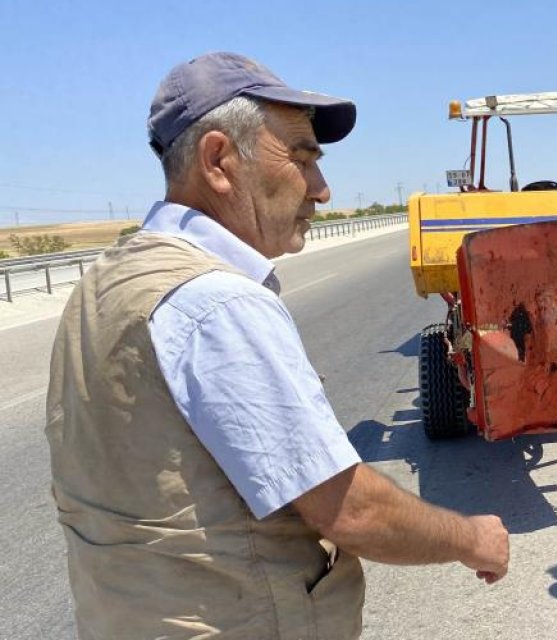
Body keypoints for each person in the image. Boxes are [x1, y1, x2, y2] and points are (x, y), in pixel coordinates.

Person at [45, 52, 509, 638]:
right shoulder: (218, 302)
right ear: (219, 160)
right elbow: (352, 510)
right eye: (302, 157)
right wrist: (473, 539)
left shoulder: (105, 283)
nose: (322, 189)